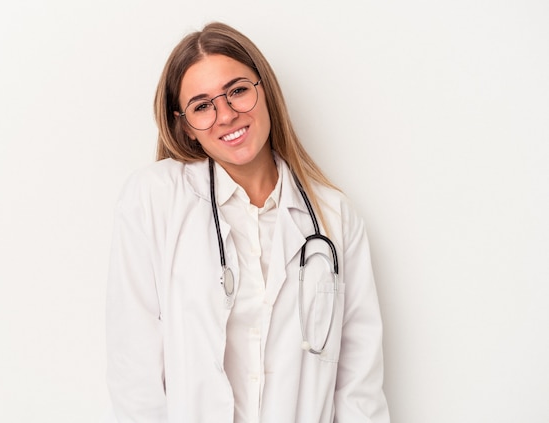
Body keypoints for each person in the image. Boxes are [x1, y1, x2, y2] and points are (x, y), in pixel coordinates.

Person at [105, 21, 390, 423]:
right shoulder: (155, 199)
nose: (225, 115)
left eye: (237, 91)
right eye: (202, 106)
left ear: (264, 90)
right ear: (184, 126)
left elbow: (359, 388)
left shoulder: (334, 218)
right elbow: (133, 369)